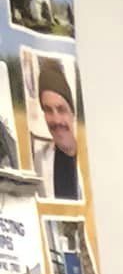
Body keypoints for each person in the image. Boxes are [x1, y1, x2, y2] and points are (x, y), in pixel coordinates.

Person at [31, 58, 80, 201]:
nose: (56, 120)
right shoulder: (38, 161)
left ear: (72, 112)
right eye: (48, 110)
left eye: (61, 109)